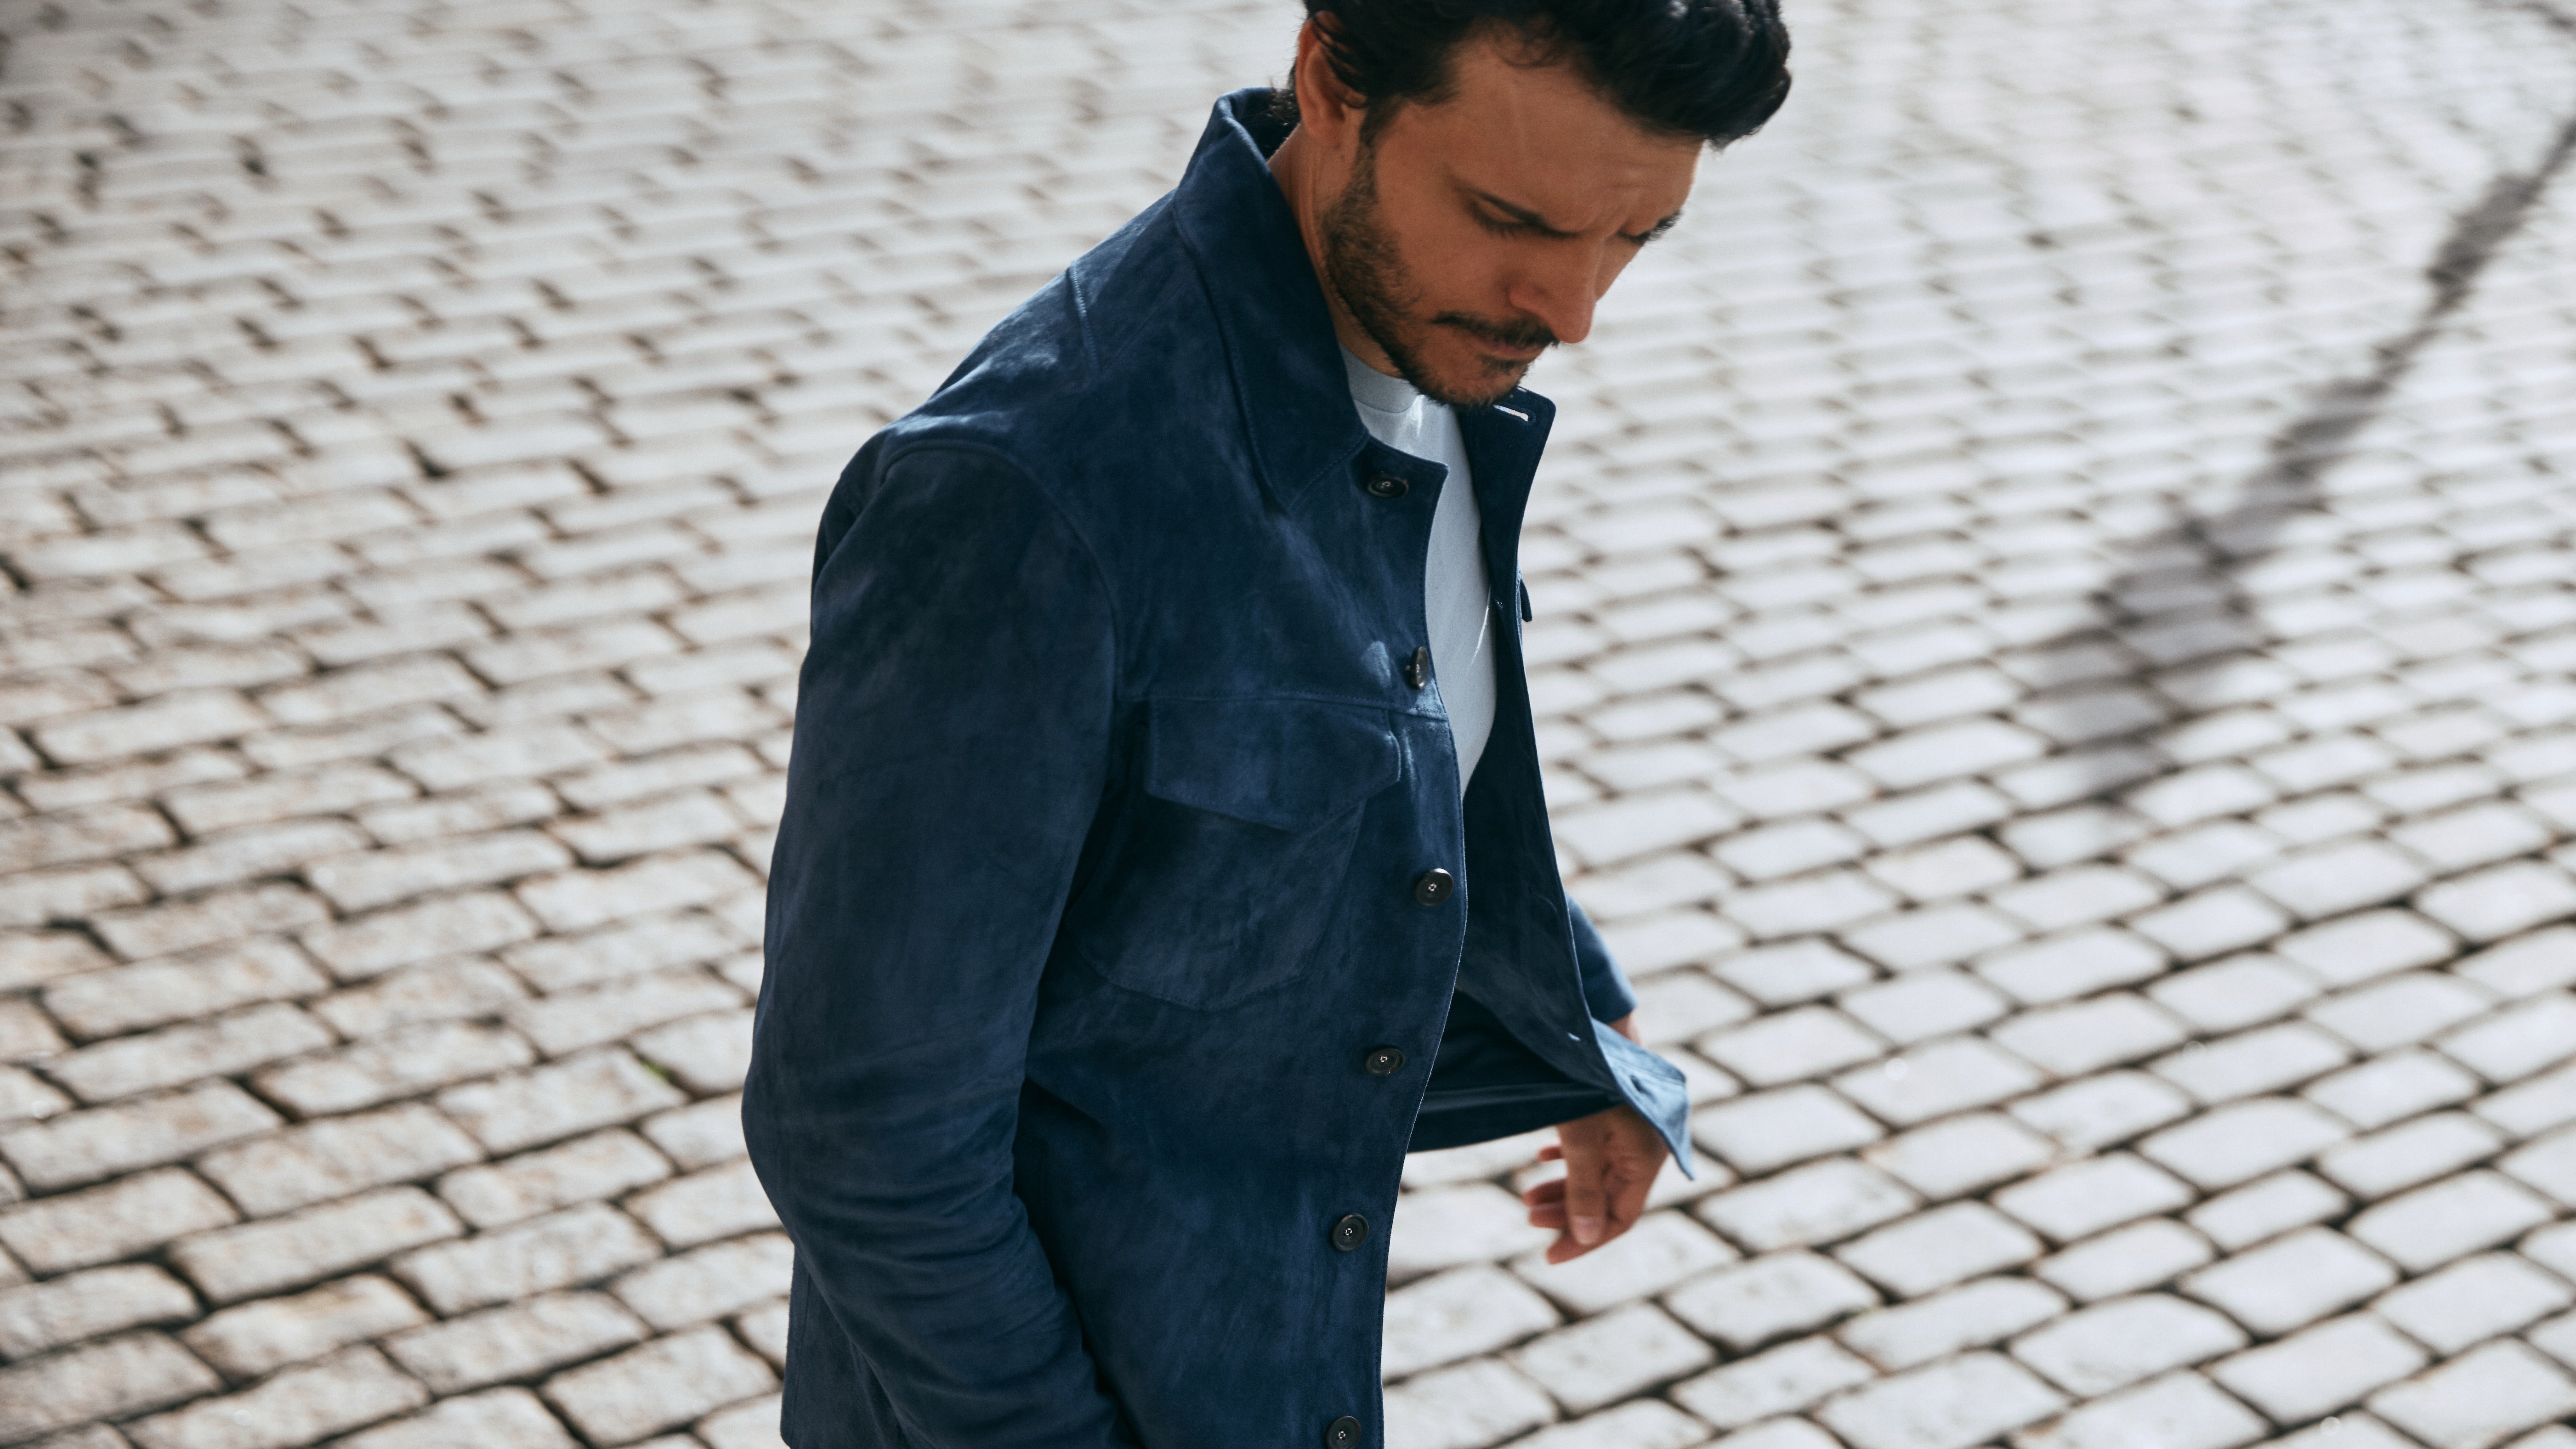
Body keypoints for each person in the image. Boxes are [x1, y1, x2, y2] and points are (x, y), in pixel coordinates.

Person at [743, 3, 1791, 1444]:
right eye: (1513, 217)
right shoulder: (1025, 497)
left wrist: (1581, 1027)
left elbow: (1407, 751)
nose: (1572, 310)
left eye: (1632, 238)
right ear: (1333, 79)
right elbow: (862, 1133)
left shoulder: (1434, 367)